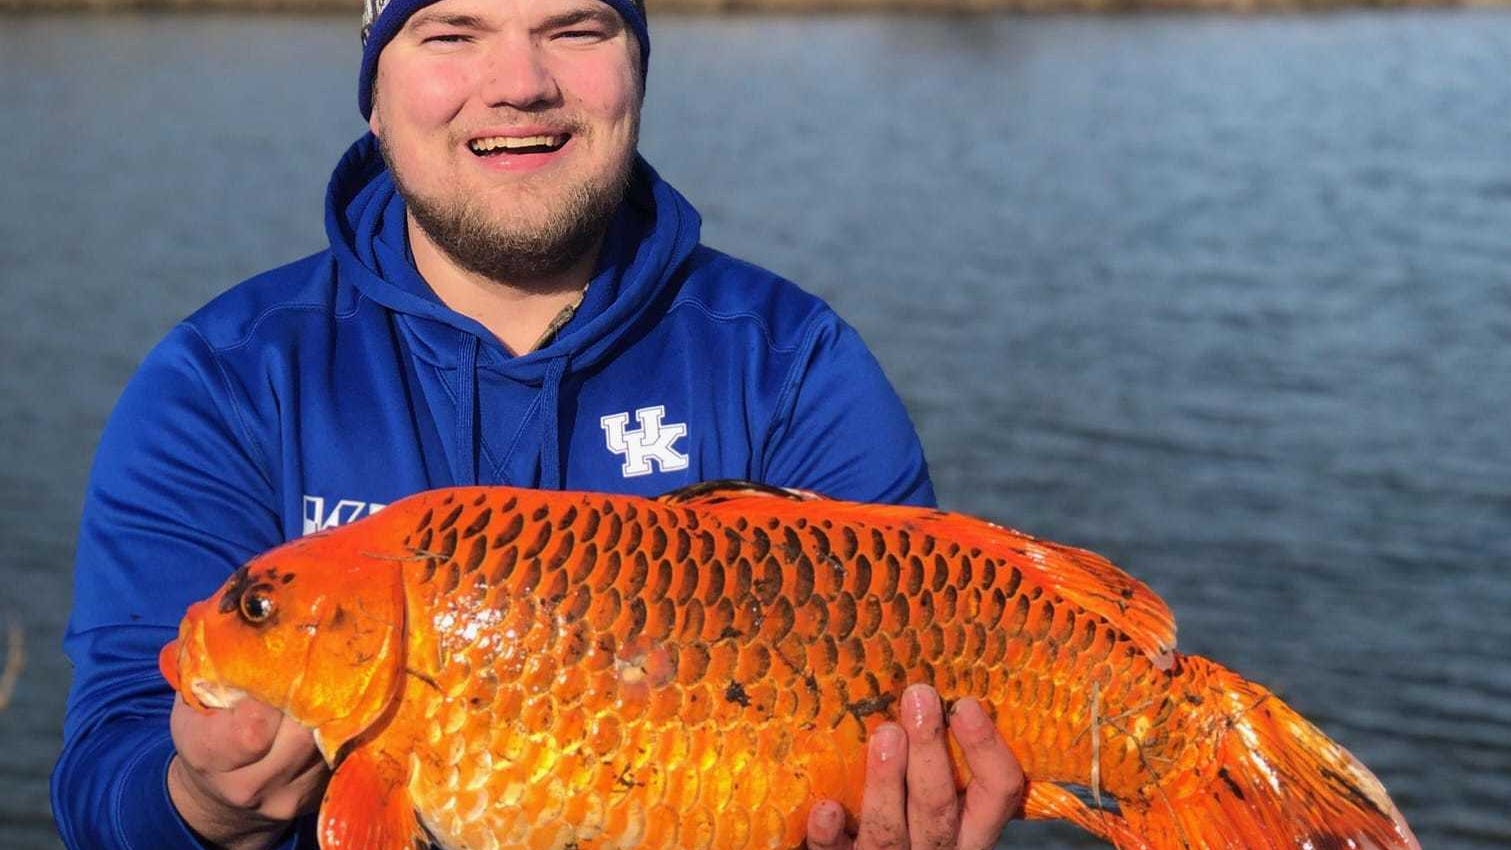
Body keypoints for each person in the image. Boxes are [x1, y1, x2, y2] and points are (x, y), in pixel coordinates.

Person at [52, 0, 1026, 847]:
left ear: (636, 67)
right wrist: (203, 804)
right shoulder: (226, 380)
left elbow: (926, 691)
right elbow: (104, 776)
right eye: (451, 31)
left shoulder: (789, 366)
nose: (518, 82)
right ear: (374, 90)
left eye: (573, 27)